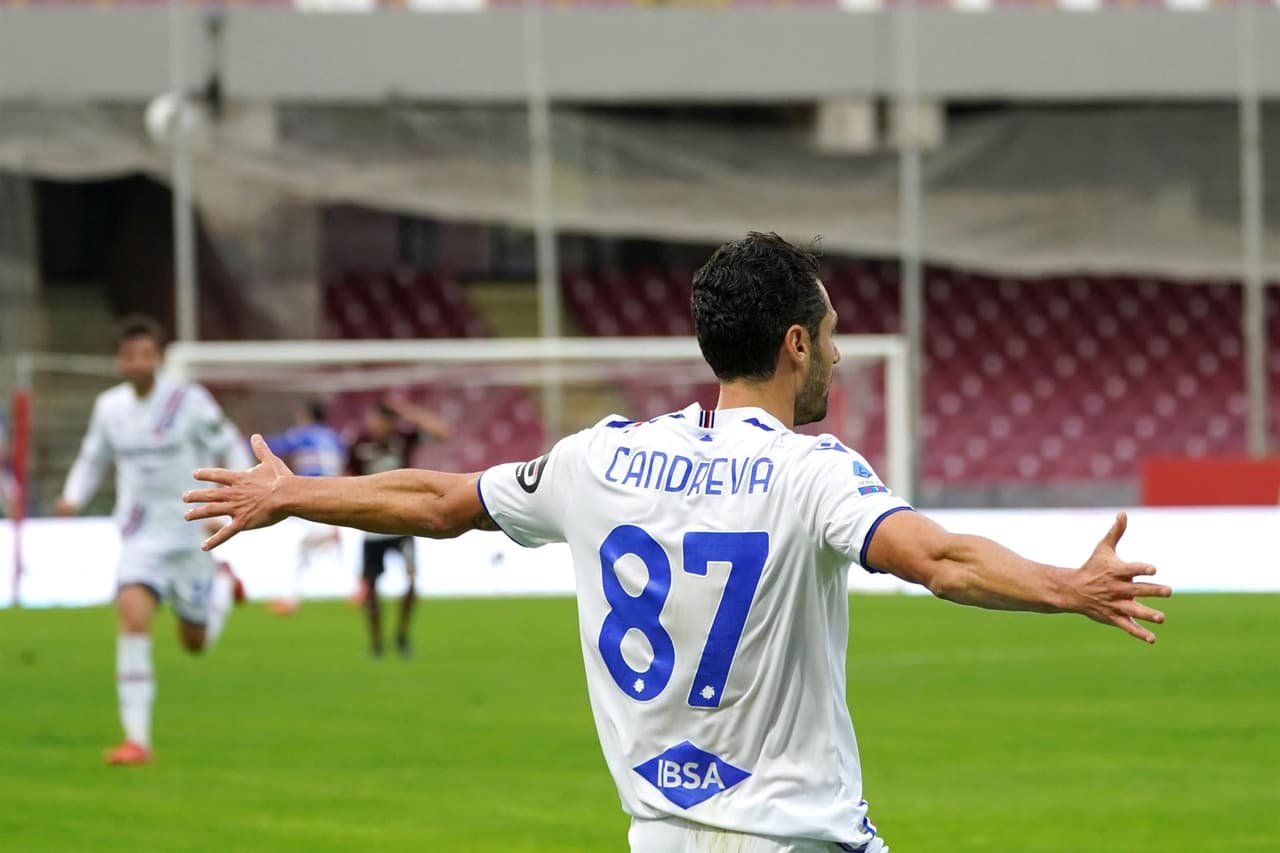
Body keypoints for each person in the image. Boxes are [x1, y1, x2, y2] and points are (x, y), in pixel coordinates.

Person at [184, 233, 1171, 852]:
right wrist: (1066, 586)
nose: (836, 353)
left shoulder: (597, 459)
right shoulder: (812, 470)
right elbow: (934, 558)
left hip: (658, 834)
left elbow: (441, 500)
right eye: (828, 334)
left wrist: (295, 492)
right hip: (795, 831)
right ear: (794, 343)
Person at [58, 314, 252, 766]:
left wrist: (236, 499)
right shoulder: (109, 408)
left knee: (194, 643)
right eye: (129, 355)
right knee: (132, 618)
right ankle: (137, 740)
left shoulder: (189, 401)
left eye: (145, 354)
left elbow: (229, 445)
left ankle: (221, 587)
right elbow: (93, 457)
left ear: (159, 359)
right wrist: (72, 496)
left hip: (191, 531)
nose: (137, 362)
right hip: (139, 534)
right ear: (118, 360)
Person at [345, 395, 449, 658]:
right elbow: (345, 478)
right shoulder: (359, 444)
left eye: (380, 420)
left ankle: (402, 637)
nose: (374, 425)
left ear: (391, 422)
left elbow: (442, 432)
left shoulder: (403, 438)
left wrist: (406, 410)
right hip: (372, 526)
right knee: (370, 587)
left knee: (412, 580)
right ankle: (376, 644)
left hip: (404, 523)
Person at [260, 400, 346, 615]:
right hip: (335, 494)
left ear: (307, 416)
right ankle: (292, 598)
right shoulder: (334, 437)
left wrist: (246, 441)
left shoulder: (303, 434)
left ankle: (291, 598)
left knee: (294, 544)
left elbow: (275, 446)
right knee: (303, 548)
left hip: (311, 495)